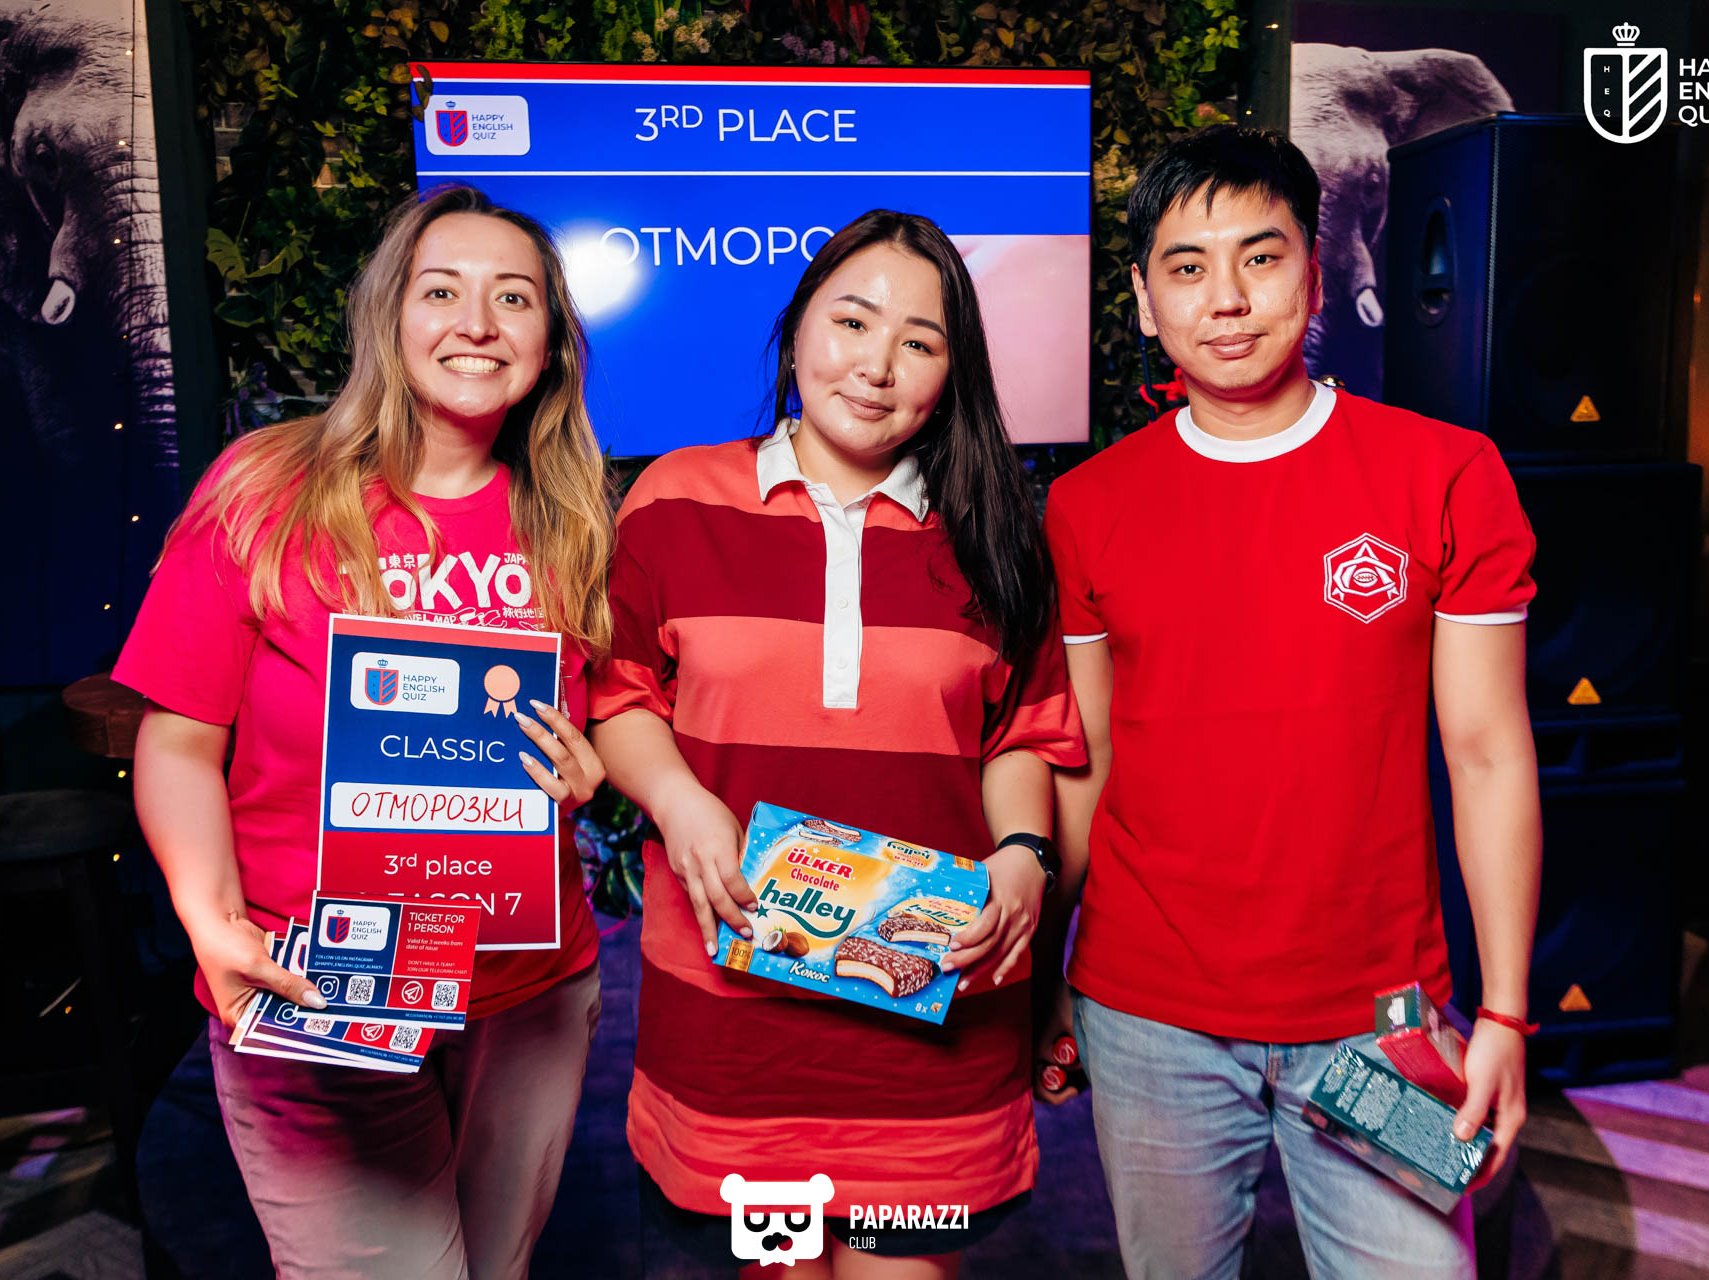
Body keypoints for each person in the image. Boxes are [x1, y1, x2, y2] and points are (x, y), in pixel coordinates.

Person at [1037, 125, 1541, 1280]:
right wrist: (1042, 989)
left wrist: (1507, 1010)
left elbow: (1487, 753)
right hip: (1145, 1008)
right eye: (1187, 266)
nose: (1226, 298)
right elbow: (1088, 754)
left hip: (1382, 1015)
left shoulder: (1445, 472)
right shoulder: (1088, 505)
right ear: (1144, 298)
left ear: (1315, 272)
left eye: (1260, 258)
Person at [116, 184, 614, 1279]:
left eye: (514, 298)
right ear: (389, 315)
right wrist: (211, 921)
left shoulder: (571, 519)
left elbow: (580, 735)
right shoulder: (267, 490)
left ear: (550, 340)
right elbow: (178, 740)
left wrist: (587, 771)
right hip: (317, 983)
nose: (477, 323)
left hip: (527, 988)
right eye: (441, 291)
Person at [588, 208, 1084, 1278]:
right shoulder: (675, 500)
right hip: (736, 1030)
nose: (877, 364)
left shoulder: (995, 528)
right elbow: (619, 696)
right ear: (799, 326)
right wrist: (678, 799)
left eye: (920, 341)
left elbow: (1023, 732)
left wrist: (1022, 853)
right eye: (853, 322)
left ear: (953, 372)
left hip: (928, 1026)